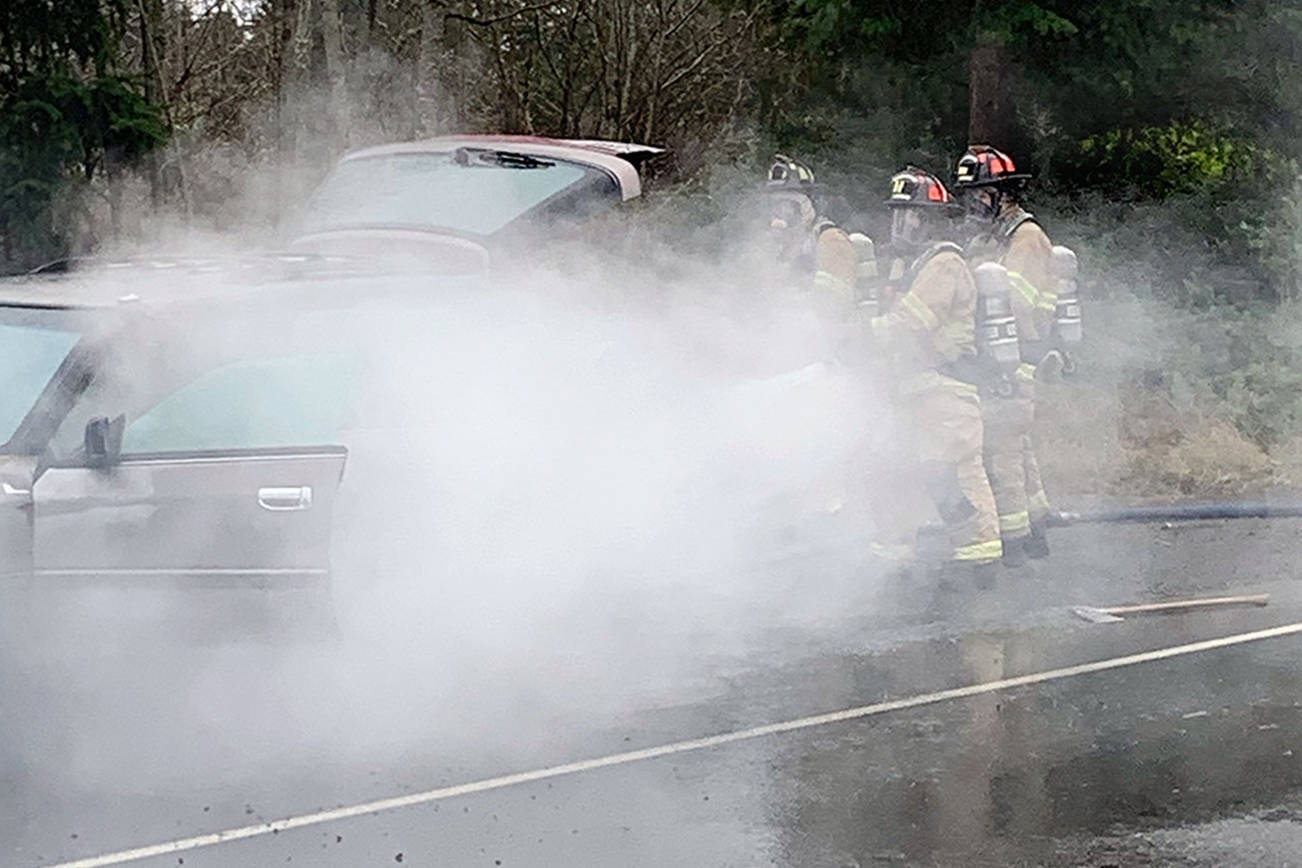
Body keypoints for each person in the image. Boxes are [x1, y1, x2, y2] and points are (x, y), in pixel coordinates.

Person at [869, 167, 1003, 584]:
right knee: (893, 467)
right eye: (899, 215)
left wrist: (860, 336)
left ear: (932, 220)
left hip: (947, 389)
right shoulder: (909, 264)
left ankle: (980, 559)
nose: (905, 224)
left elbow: (912, 321)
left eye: (915, 216)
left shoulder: (945, 263)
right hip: (914, 388)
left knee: (956, 471)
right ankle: (893, 555)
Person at [954, 145, 1056, 560]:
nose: (973, 204)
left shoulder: (1027, 238)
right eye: (969, 196)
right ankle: (1035, 529)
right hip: (999, 353)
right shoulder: (990, 237)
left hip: (1019, 355)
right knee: (1016, 445)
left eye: (979, 194)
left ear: (1003, 194)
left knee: (1003, 450)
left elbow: (1014, 300)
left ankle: (1015, 540)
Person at [763, 154, 858, 316]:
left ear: (807, 205)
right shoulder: (780, 249)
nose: (778, 220)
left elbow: (834, 306)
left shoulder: (830, 240)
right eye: (775, 208)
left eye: (787, 208)